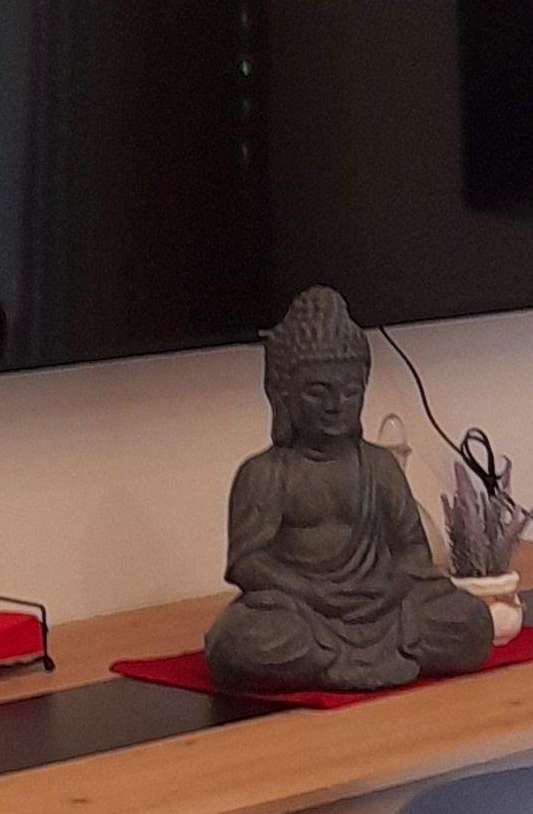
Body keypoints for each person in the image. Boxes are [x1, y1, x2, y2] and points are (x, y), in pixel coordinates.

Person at [204, 287, 494, 693]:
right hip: (302, 609)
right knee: (243, 641)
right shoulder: (266, 473)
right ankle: (341, 655)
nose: (335, 405)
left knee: (472, 622)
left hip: (383, 606)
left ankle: (336, 659)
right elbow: (247, 564)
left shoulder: (379, 466)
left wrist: (389, 586)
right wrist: (314, 592)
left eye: (350, 392)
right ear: (283, 395)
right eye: (317, 392)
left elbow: (412, 550)